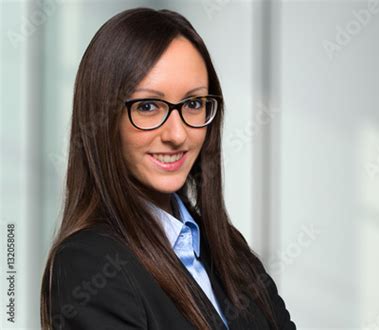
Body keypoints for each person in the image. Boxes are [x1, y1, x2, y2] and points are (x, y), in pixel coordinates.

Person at [40, 7, 296, 330]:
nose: (177, 134)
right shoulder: (88, 263)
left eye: (192, 104)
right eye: (147, 106)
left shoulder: (228, 249)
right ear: (104, 120)